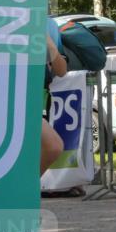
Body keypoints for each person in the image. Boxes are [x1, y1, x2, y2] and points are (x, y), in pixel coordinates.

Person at [40, 21, 68, 175]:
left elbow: (61, 70)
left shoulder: (49, 24)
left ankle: (23, 190)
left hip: (31, 103)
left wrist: (50, 45)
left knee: (54, 147)